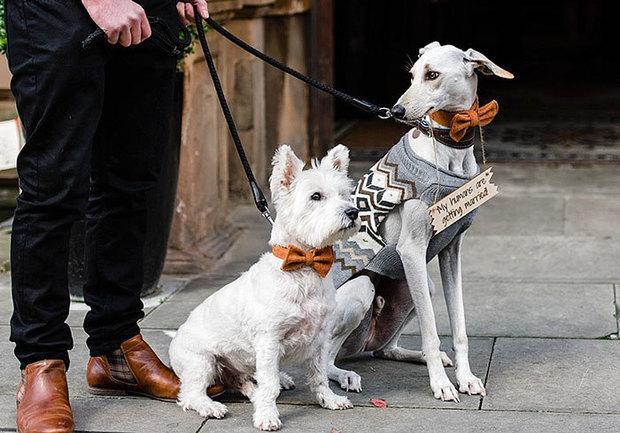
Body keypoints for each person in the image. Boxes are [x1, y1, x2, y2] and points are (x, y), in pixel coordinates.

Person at [4, 0, 220, 432]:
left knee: (130, 181)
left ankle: (116, 347)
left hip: (147, 10)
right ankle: (41, 361)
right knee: (53, 186)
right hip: (57, 11)